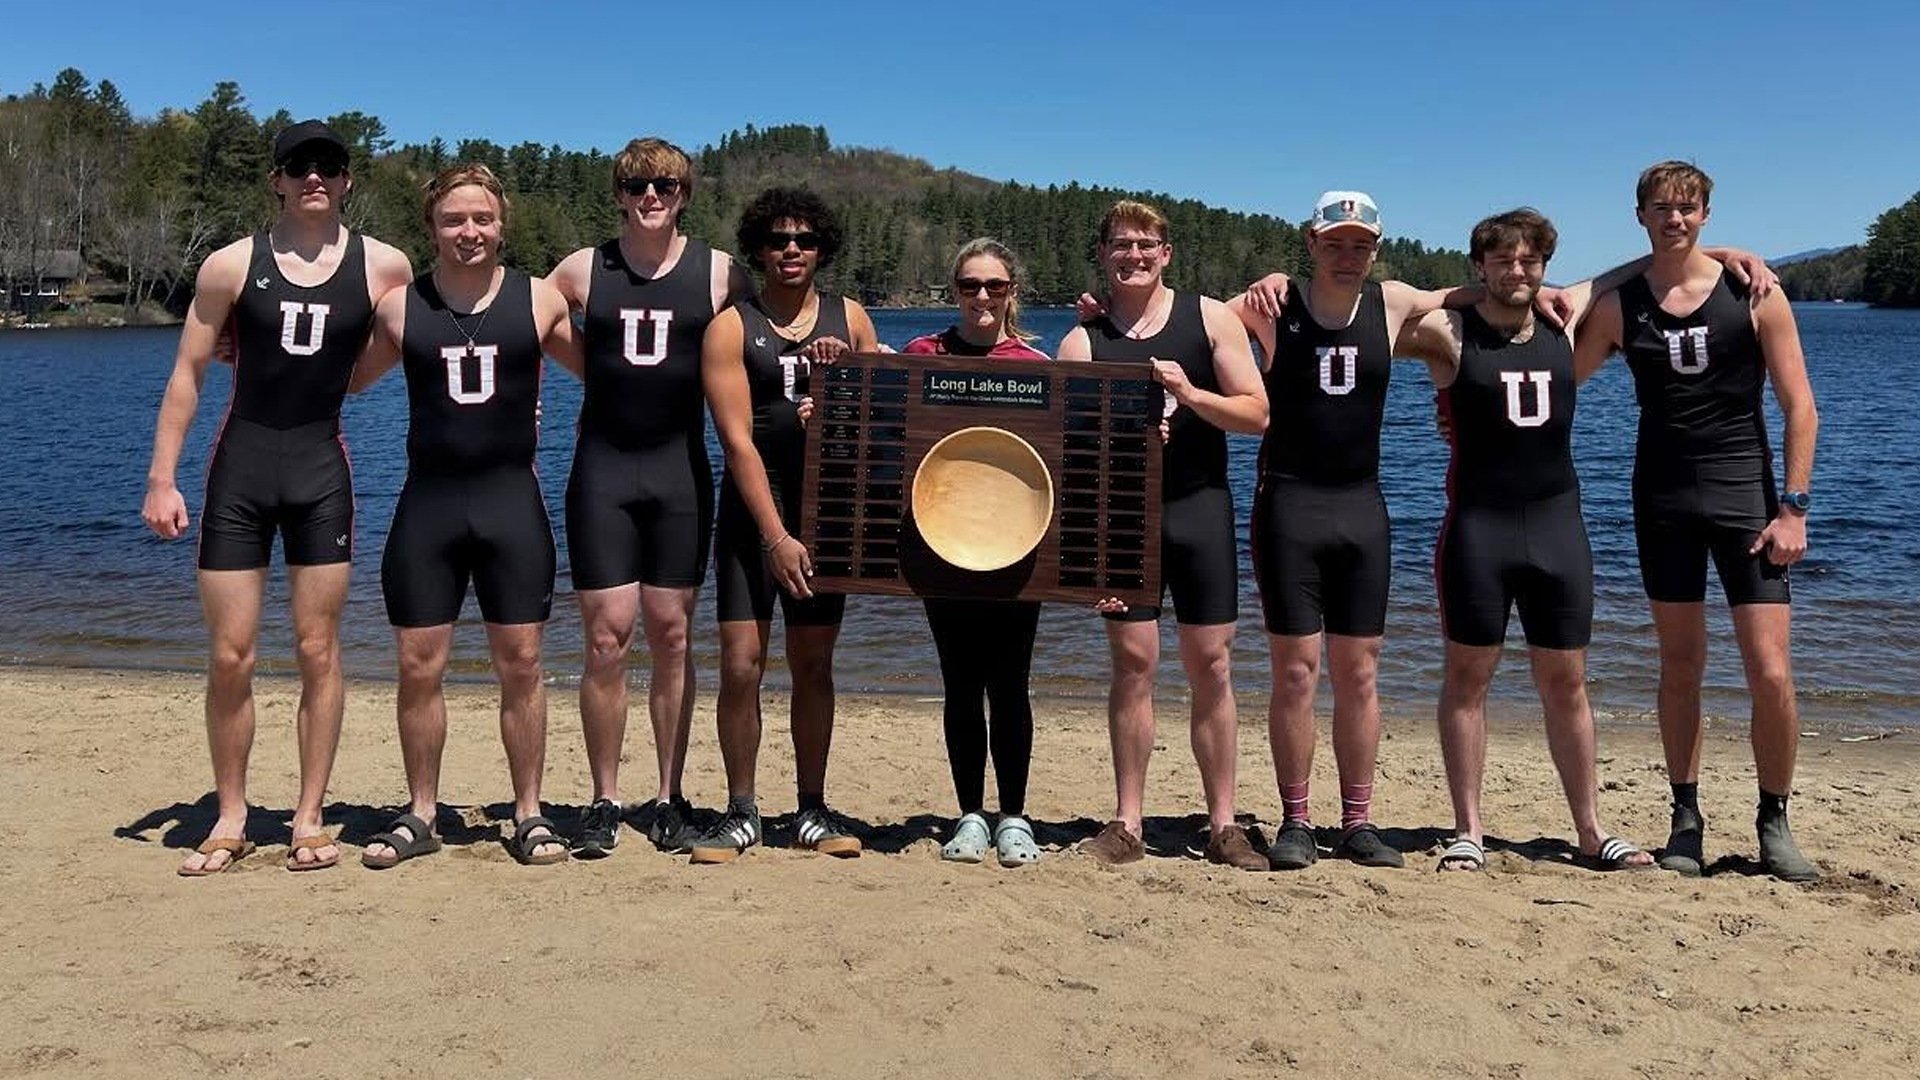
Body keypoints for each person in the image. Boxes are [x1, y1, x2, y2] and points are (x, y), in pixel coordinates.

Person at [140, 119, 412, 875]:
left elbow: (416, 342)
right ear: (278, 180)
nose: (314, 178)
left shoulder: (386, 265)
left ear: (348, 180)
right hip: (241, 469)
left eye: (328, 166)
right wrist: (162, 479)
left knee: (318, 649)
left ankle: (308, 815)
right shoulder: (230, 266)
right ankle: (230, 815)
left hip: (322, 470)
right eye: (299, 167)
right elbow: (188, 376)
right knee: (231, 655)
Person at [1229, 191, 1513, 870]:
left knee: (1360, 674)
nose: (1348, 256)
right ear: (1310, 243)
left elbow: (1484, 291)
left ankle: (1357, 821)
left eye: (1361, 244)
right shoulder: (1270, 308)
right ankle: (1296, 818)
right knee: (1296, 673)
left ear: (1377, 248)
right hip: (1289, 508)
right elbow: (1188, 321)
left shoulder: (1391, 303)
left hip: (1363, 509)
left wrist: (1554, 299)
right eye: (1335, 243)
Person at [1395, 209, 1668, 871]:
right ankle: (1468, 830)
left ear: (1546, 265)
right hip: (1477, 531)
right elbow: (1383, 308)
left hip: (1557, 529)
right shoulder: (1448, 332)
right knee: (1468, 679)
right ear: (1479, 265)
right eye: (1502, 261)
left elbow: (1641, 266)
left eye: (1529, 261)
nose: (1517, 272)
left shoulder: (1564, 318)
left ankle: (1591, 830)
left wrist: (1721, 250)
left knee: (1567, 682)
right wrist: (1455, 294)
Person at [1572, 161, 1820, 881]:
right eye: (1659, 208)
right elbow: (1561, 380)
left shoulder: (1755, 293)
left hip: (1747, 498)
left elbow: (1800, 407)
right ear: (1640, 215)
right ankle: (1686, 818)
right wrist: (1468, 408)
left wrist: (1793, 510)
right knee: (1680, 667)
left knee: (1770, 672)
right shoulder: (1622, 307)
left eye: (1686, 208)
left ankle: (1775, 819)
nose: (1673, 219)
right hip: (1663, 501)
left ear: (1706, 214)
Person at [349, 164, 580, 868]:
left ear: (501, 224)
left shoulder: (538, 301)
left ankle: (530, 812)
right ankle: (421, 813)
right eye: (453, 220)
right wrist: (247, 346)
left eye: (481, 218)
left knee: (523, 663)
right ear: (432, 229)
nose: (469, 231)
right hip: (429, 507)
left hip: (512, 504)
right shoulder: (398, 308)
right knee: (419, 665)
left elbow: (621, 376)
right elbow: (341, 379)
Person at [543, 138, 752, 858]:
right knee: (606, 640)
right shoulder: (582, 268)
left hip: (679, 472)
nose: (651, 196)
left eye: (665, 184)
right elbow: (515, 319)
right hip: (602, 470)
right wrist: (583, 370)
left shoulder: (718, 271)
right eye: (636, 185)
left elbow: (769, 339)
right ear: (620, 194)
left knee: (670, 634)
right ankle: (604, 798)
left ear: (685, 193)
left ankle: (666, 795)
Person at [1056, 200, 1269, 870]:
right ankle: (1126, 822)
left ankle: (1224, 824)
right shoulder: (1082, 342)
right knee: (1135, 666)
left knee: (1211, 667)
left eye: (1148, 244)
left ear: (1167, 253)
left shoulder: (1209, 318)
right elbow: (1068, 454)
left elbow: (1257, 413)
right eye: (1122, 245)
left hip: (1200, 510)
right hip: (1123, 521)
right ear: (1104, 253)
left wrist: (1192, 395)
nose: (1136, 255)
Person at [690, 187, 880, 864]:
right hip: (753, 518)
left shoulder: (850, 318)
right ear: (759, 250)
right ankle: (741, 810)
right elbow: (736, 441)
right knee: (741, 666)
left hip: (825, 516)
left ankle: (811, 806)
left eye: (803, 240)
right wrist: (774, 536)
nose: (791, 251)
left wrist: (841, 392)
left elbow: (881, 423)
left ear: (822, 247)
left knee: (814, 664)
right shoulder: (731, 327)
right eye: (777, 241)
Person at [904, 238, 1051, 867]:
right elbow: (875, 423)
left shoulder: (1037, 363)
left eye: (994, 285)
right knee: (960, 682)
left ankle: (1014, 816)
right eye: (970, 286)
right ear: (954, 290)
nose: (982, 297)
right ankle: (969, 813)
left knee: (1011, 683)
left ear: (1012, 290)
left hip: (1020, 547)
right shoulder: (920, 355)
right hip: (943, 544)